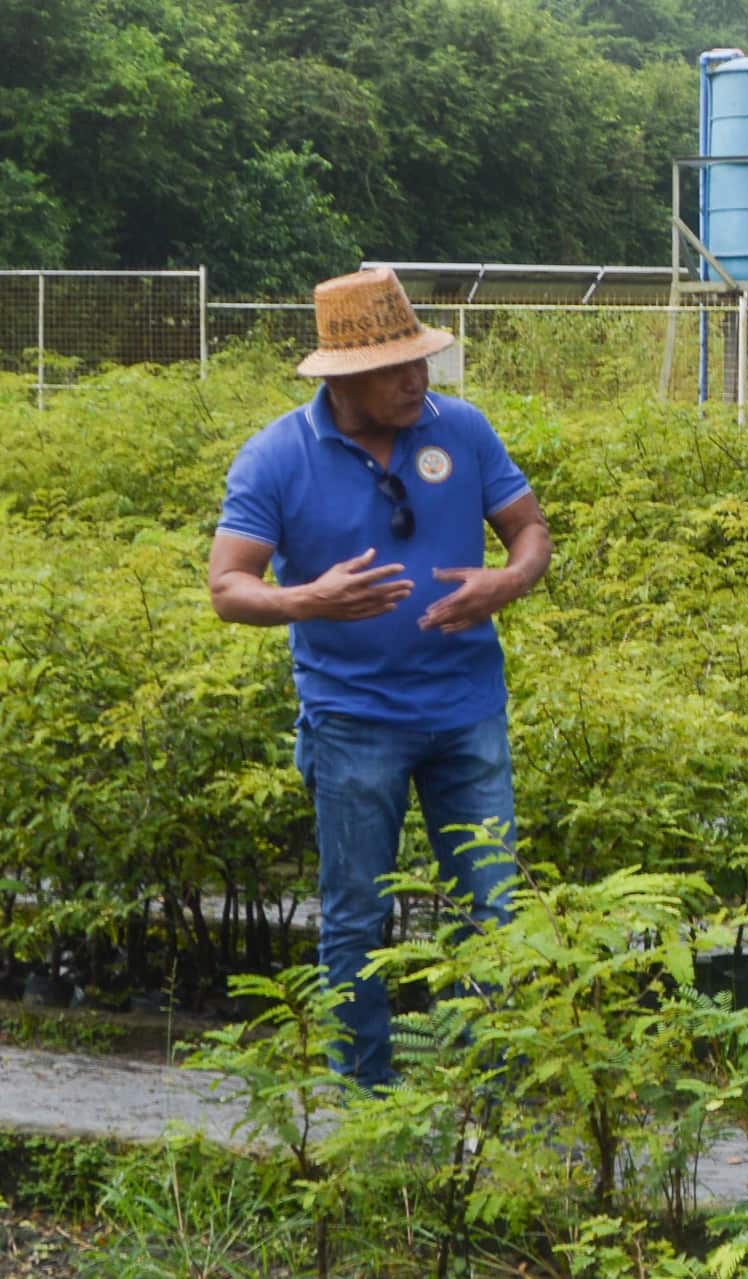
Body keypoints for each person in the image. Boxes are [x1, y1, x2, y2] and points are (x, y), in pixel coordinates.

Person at [208, 267, 551, 1090]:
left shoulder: (461, 430)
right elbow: (228, 586)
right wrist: (309, 599)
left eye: (420, 359)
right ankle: (365, 1093)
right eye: (397, 367)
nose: (417, 379)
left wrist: (506, 580)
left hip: (467, 713)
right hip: (353, 722)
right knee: (358, 914)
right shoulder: (276, 457)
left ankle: (485, 1096)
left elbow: (529, 529)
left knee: (493, 912)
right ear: (343, 375)